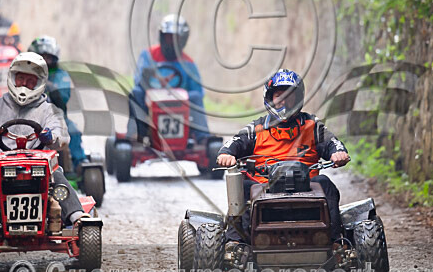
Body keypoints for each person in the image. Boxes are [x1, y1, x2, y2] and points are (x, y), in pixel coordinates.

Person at [216, 69, 351, 242]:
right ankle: (235, 243)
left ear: (298, 98)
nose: (284, 101)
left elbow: (333, 143)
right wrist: (226, 155)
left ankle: (335, 242)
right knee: (242, 186)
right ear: (270, 98)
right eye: (279, 96)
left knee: (325, 183)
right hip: (263, 186)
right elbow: (232, 144)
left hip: (307, 187)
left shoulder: (312, 126)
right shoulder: (255, 129)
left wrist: (338, 153)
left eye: (290, 96)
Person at [0, 52, 88, 232]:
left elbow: (61, 135)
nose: (24, 85)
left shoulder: (49, 110)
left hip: (37, 168)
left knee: (57, 171)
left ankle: (76, 215)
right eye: (20, 79)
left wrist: (50, 137)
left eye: (31, 81)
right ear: (12, 78)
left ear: (40, 84)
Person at [128, 13, 209, 142]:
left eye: (175, 39)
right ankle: (136, 134)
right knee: (136, 93)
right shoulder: (148, 56)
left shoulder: (188, 63)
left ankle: (203, 137)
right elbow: (139, 80)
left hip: (178, 105)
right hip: (151, 101)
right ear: (162, 37)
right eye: (168, 38)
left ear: (182, 41)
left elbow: (198, 90)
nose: (171, 43)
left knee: (196, 97)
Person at [28, 35, 86, 174]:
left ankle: (77, 165)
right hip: (29, 117)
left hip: (57, 116)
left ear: (54, 58)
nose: (45, 61)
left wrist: (47, 85)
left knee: (72, 131)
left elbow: (63, 98)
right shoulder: (25, 74)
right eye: (41, 57)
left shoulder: (60, 74)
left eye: (48, 57)